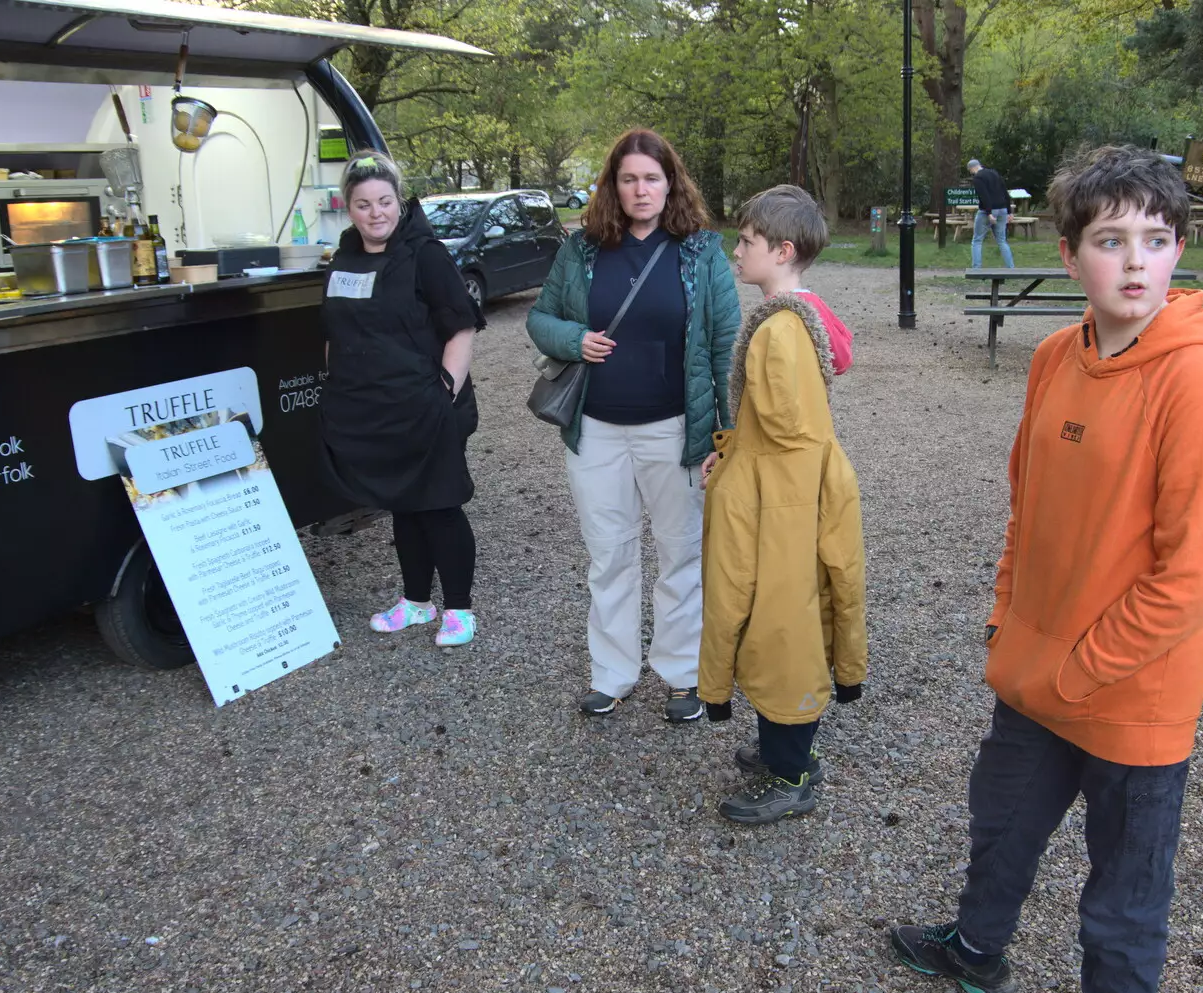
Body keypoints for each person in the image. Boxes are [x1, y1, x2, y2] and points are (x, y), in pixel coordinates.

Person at [888, 145, 1203, 993]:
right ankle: (976, 949)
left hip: (1133, 695)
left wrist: (1080, 670)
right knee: (1000, 825)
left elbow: (1191, 578)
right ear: (1067, 252)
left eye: (1157, 238)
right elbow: (1027, 507)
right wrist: (1006, 617)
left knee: (1124, 895)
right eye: (1111, 238)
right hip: (1037, 672)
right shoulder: (1056, 355)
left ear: (1178, 250)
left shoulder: (1198, 381)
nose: (1135, 262)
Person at [527, 128, 740, 722]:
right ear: (612, 186)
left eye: (651, 177)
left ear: (670, 182)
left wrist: (728, 433)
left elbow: (726, 346)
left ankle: (681, 674)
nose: (640, 189)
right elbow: (540, 318)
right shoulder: (583, 250)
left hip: (675, 430)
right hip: (594, 430)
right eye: (628, 179)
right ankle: (613, 673)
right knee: (609, 553)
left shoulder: (700, 252)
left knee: (680, 554)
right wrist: (574, 338)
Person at [698, 185, 866, 824]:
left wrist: (747, 468)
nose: (735, 250)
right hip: (785, 496)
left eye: (745, 241)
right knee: (777, 618)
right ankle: (782, 750)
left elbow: (791, 432)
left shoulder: (781, 331)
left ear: (782, 250)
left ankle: (794, 771)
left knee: (781, 623)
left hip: (786, 510)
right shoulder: (795, 315)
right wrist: (734, 449)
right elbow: (772, 428)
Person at [319, 151, 485, 648]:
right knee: (403, 506)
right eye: (364, 204)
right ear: (349, 208)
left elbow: (461, 326)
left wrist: (444, 393)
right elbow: (335, 329)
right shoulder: (345, 257)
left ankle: (459, 609)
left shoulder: (424, 253)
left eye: (384, 202)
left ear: (398, 200)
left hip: (426, 403)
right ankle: (415, 603)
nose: (376, 214)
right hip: (371, 408)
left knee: (438, 504)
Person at [967, 158, 1015, 270]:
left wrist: (989, 213)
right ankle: (1011, 268)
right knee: (1002, 240)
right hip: (1003, 209)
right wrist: (1009, 211)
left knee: (977, 240)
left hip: (988, 211)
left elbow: (984, 196)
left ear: (972, 168)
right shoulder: (994, 173)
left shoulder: (978, 178)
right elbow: (1005, 192)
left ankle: (976, 269)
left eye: (970, 171)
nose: (971, 173)